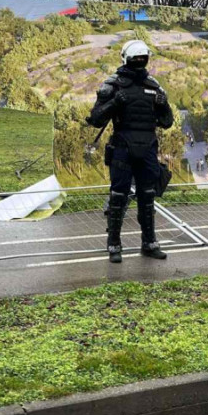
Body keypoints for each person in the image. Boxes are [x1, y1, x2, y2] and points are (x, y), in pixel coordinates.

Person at [86, 39, 174, 263]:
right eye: (137, 58)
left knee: (147, 197)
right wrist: (114, 102)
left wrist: (163, 105)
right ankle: (114, 244)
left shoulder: (154, 86)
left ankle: (149, 243)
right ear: (127, 58)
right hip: (122, 149)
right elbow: (96, 119)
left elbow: (167, 122)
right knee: (118, 196)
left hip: (147, 150)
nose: (139, 61)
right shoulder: (113, 84)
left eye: (142, 58)